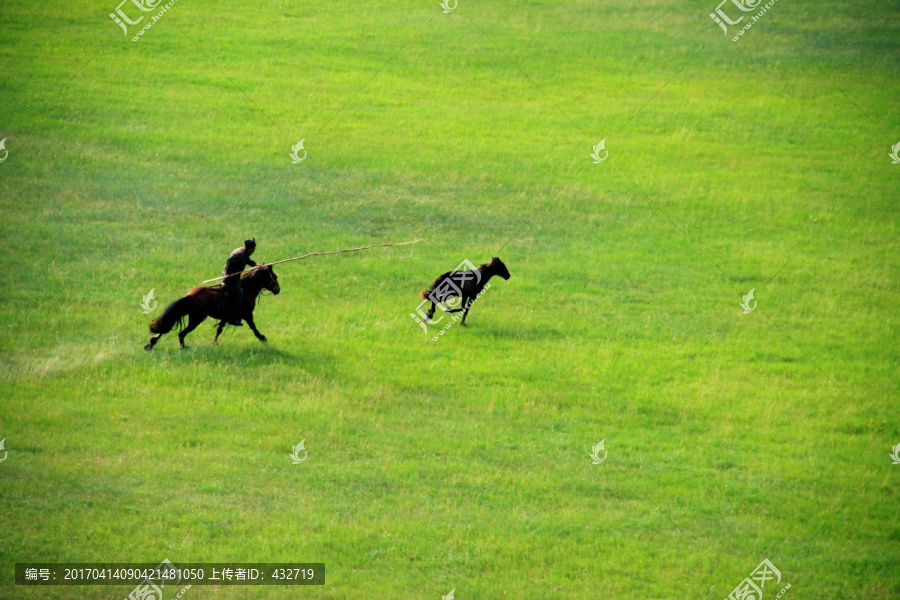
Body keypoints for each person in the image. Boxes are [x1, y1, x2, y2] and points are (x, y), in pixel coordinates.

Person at [222, 238, 258, 326]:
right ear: (251, 248)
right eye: (254, 247)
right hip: (230, 279)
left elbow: (247, 260)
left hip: (236, 278)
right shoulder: (240, 254)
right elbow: (229, 261)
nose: (255, 249)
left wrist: (256, 265)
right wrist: (229, 273)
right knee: (238, 293)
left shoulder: (245, 253)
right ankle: (232, 318)